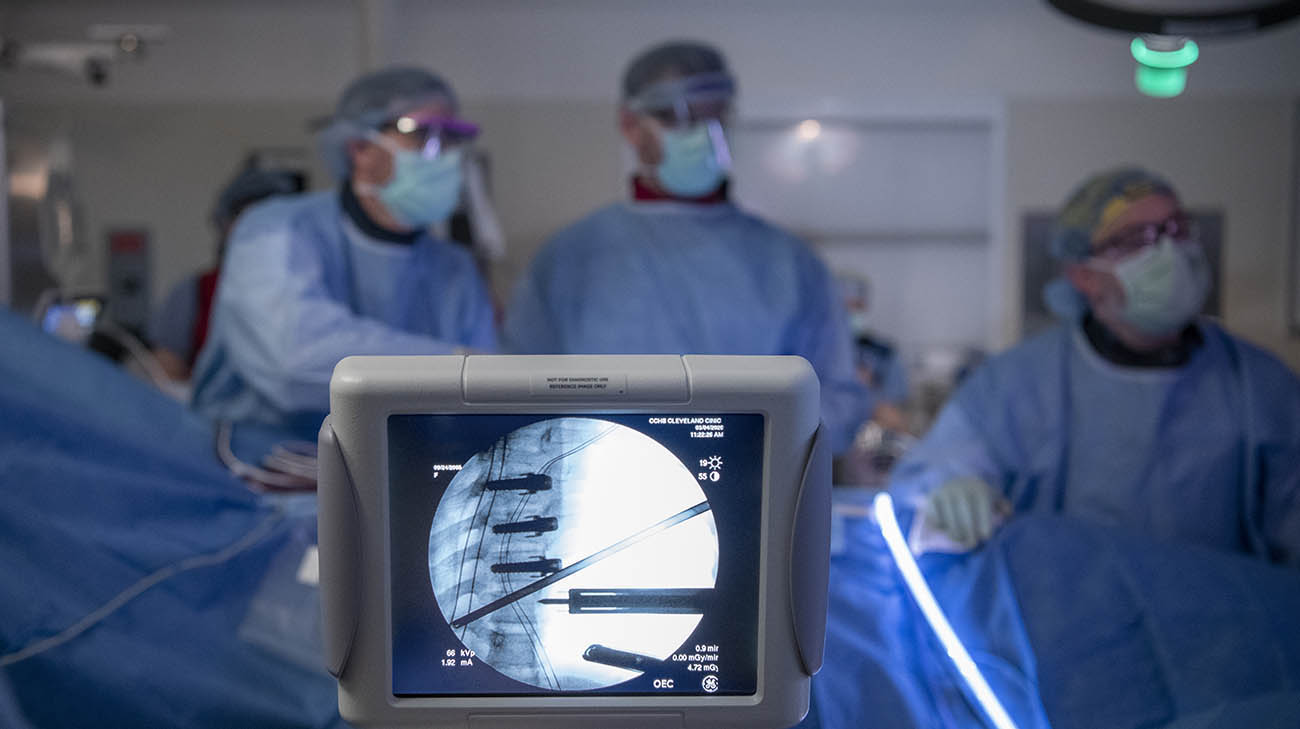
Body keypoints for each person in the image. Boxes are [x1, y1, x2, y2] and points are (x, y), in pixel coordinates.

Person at [890, 167, 1300, 565]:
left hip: (1224, 630)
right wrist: (948, 488)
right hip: (1068, 627)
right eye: (1137, 239)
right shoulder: (1020, 383)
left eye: (1176, 228)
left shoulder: (1261, 386)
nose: (1169, 251)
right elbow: (940, 465)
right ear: (1083, 274)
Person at [503, 41, 872, 454]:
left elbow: (837, 400)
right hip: (601, 495)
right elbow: (514, 399)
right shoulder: (569, 260)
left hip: (752, 499)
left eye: (715, 115)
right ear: (631, 126)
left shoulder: (792, 265)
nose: (702, 135)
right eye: (674, 117)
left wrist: (752, 450)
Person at [191, 67, 497, 432]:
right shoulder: (276, 229)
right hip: (255, 467)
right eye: (423, 135)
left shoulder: (455, 269)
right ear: (360, 148)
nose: (444, 155)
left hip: (393, 469)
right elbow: (294, 360)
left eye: (451, 138)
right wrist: (455, 367)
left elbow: (486, 393)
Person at [149, 164, 302, 381]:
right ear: (226, 226)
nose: (259, 235)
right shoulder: (194, 293)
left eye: (270, 224)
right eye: (248, 223)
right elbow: (165, 378)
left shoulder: (311, 293)